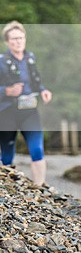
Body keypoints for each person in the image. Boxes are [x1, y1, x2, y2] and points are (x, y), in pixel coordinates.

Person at [0, 21, 53, 186]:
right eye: (14, 39)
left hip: (29, 110)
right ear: (7, 42)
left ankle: (39, 188)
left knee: (37, 149)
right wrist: (6, 91)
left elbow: (35, 82)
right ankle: (7, 190)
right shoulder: (1, 61)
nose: (18, 41)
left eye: (21, 38)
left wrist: (43, 90)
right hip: (7, 111)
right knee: (7, 155)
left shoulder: (30, 58)